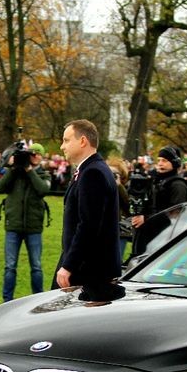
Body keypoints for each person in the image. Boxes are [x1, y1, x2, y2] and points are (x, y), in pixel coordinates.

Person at [53, 120, 121, 289]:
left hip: (88, 270)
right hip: (84, 266)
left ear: (83, 141)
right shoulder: (90, 170)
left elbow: (89, 226)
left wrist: (69, 265)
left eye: (67, 140)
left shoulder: (93, 173)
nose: (62, 146)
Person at [0, 143, 50, 302]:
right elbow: (0, 187)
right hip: (13, 225)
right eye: (30, 154)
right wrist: (13, 169)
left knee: (36, 267)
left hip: (34, 227)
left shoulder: (44, 174)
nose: (33, 157)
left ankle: (37, 299)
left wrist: (29, 171)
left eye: (36, 154)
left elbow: (43, 190)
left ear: (40, 156)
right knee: (10, 267)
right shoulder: (14, 174)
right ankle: (7, 301)